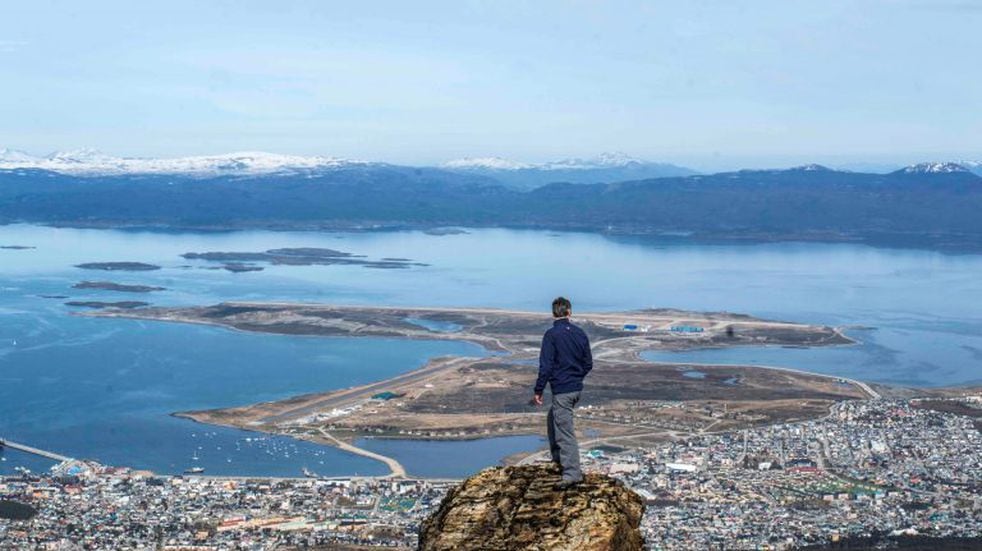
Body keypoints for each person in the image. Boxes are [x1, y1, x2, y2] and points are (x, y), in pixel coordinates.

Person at [532, 296, 593, 489]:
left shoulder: (551, 335)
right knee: (553, 420)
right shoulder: (580, 333)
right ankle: (558, 461)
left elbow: (546, 366)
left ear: (553, 313)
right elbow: (588, 363)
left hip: (562, 390)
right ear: (569, 312)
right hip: (575, 389)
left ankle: (572, 473)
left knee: (564, 431)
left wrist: (539, 390)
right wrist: (576, 377)